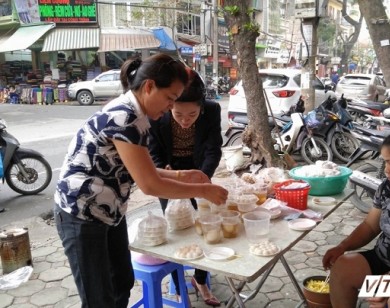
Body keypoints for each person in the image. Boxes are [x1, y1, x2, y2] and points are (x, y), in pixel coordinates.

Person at [54, 54, 228, 308]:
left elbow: (141, 169)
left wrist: (182, 174)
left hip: (109, 210)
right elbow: (150, 185)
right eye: (169, 99)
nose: (170, 107)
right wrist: (204, 190)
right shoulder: (126, 117)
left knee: (122, 281)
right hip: (81, 213)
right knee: (98, 299)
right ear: (149, 87)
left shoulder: (137, 114)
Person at [148, 68, 222, 306]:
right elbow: (153, 152)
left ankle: (200, 279)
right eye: (178, 114)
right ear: (170, 106)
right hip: (168, 173)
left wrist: (202, 179)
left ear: (202, 106)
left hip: (198, 169)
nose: (185, 120)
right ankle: (178, 283)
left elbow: (213, 149)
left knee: (204, 223)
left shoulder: (212, 110)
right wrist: (166, 172)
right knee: (175, 229)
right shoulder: (157, 114)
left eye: (192, 114)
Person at [322, 135, 390, 308]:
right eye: (386, 162)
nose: (387, 170)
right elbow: (369, 226)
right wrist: (342, 247)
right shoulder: (386, 188)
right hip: (383, 260)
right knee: (342, 269)